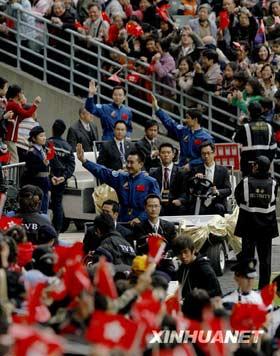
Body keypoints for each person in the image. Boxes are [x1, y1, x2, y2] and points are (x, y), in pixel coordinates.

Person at [77, 144, 160, 225]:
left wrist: (141, 218)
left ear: (141, 164)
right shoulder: (120, 178)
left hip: (142, 224)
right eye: (127, 162)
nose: (128, 165)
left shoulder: (151, 182)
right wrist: (84, 161)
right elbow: (102, 171)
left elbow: (156, 205)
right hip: (122, 222)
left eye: (132, 163)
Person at [235, 155, 279, 289]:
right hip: (266, 228)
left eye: (254, 164)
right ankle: (264, 289)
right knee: (265, 261)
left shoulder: (245, 181)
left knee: (248, 259)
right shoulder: (273, 183)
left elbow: (238, 197)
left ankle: (247, 287)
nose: (252, 166)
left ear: (257, 167)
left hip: (248, 227)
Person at [152, 95, 214, 170]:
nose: (185, 120)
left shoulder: (206, 138)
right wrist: (157, 109)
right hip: (181, 168)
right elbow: (170, 122)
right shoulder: (183, 131)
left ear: (195, 120)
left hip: (198, 170)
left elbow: (207, 156)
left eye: (187, 118)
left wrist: (191, 165)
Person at [233, 102, 277, 176]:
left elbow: (234, 139)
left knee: (248, 186)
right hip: (264, 166)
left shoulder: (245, 127)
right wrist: (268, 162)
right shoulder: (269, 126)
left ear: (249, 112)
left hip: (248, 167)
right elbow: (273, 147)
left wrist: (239, 125)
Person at [48, 119, 75, 233]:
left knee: (43, 203)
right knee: (57, 204)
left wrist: (51, 176)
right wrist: (64, 177)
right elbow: (71, 165)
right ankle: (56, 230)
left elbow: (46, 161)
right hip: (61, 180)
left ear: (52, 129)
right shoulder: (68, 147)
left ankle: (45, 228)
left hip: (47, 178)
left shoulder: (47, 143)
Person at [190, 141, 232, 215]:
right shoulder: (196, 170)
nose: (206, 156)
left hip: (217, 201)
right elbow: (190, 188)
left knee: (219, 208)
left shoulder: (223, 170)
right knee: (193, 208)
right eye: (203, 154)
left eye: (208, 153)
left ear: (214, 153)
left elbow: (228, 190)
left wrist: (217, 191)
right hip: (201, 201)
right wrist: (196, 180)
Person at [5, 85, 41, 163]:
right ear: (18, 94)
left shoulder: (12, 104)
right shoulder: (14, 105)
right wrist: (35, 104)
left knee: (10, 159)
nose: (23, 96)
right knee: (14, 160)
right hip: (9, 137)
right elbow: (26, 113)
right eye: (22, 93)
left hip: (10, 137)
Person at [149, 143, 187, 215]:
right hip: (158, 203)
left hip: (174, 203)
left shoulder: (181, 172)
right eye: (163, 153)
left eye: (168, 153)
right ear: (159, 155)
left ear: (173, 155)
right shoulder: (153, 173)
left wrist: (180, 200)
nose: (166, 155)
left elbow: (185, 192)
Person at [21, 126, 50, 214]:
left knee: (44, 207)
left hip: (44, 182)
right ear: (34, 138)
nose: (44, 138)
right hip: (36, 184)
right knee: (38, 209)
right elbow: (31, 170)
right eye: (41, 136)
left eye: (44, 135)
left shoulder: (44, 150)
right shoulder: (31, 152)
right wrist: (42, 164)